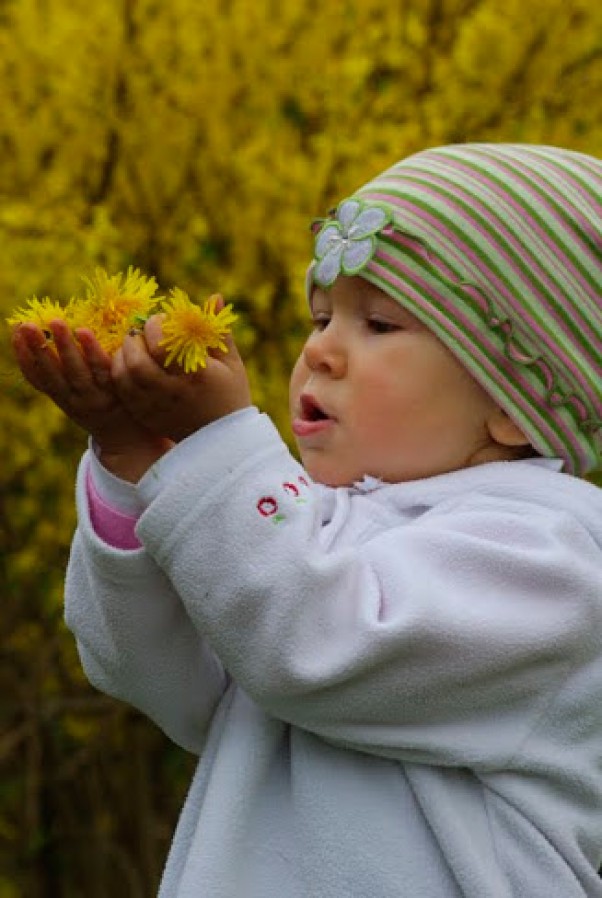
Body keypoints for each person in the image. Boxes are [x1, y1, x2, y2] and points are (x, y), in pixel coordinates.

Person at [11, 142, 602, 897]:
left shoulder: (552, 556)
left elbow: (313, 640)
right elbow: (160, 677)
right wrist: (137, 460)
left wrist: (218, 448)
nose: (320, 350)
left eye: (380, 324)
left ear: (514, 407)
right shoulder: (302, 528)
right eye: (321, 317)